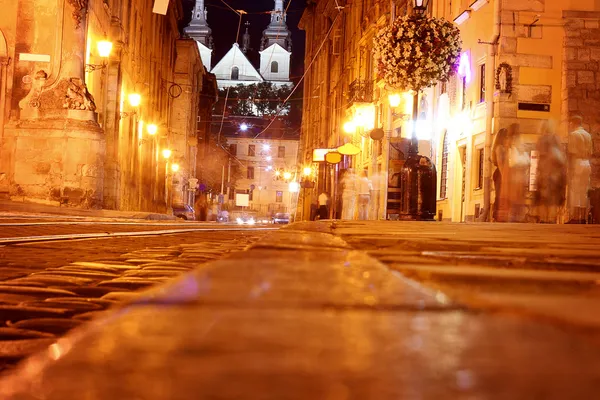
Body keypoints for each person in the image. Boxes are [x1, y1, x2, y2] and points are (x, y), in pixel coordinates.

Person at [534, 120, 566, 223]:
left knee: (543, 198)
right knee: (552, 199)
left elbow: (538, 156)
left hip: (543, 173)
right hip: (554, 173)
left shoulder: (540, 140)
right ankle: (552, 220)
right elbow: (561, 156)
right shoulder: (555, 138)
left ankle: (543, 219)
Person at [567, 115, 592, 224]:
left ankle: (576, 217)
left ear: (573, 123)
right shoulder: (588, 135)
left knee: (575, 190)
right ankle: (583, 217)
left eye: (570, 123)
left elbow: (572, 153)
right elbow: (591, 152)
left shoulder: (573, 135)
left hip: (577, 162)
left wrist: (570, 168)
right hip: (587, 163)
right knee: (584, 191)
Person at [506, 123, 530, 222]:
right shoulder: (514, 143)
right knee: (517, 199)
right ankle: (516, 220)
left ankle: (514, 219)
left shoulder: (511, 143)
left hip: (516, 175)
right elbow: (518, 160)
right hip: (517, 175)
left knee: (516, 199)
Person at [491, 128, 510, 222]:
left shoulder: (502, 147)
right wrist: (504, 176)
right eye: (506, 137)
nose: (507, 138)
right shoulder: (499, 148)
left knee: (500, 194)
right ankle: (496, 216)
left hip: (501, 173)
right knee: (499, 194)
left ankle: (499, 215)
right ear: (502, 137)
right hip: (500, 174)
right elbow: (500, 162)